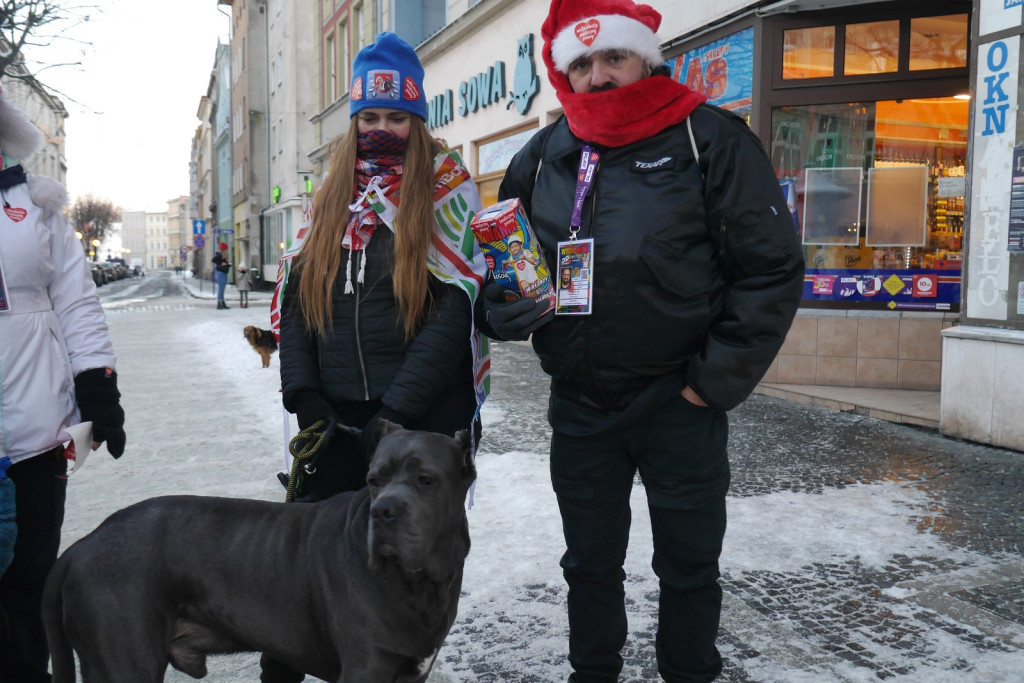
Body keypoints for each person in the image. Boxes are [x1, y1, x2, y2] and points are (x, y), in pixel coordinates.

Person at [477, 1, 805, 681]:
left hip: (678, 402)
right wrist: (502, 308)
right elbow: (502, 274)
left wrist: (705, 386)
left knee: (688, 567)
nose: (598, 76)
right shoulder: (542, 156)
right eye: (582, 63)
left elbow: (769, 270)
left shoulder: (708, 139)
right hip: (581, 405)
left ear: (646, 58)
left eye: (613, 57)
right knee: (589, 566)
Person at [266, 32, 488, 683]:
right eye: (370, 117)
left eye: (396, 116)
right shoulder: (331, 193)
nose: (382, 129)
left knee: (403, 565)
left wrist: (395, 411)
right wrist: (303, 394)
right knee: (301, 562)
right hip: (331, 415)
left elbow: (455, 311)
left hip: (414, 417)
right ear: (354, 120)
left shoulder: (448, 190)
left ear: (416, 119)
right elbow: (301, 301)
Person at [0, 83, 126, 683]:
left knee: (28, 582)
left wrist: (97, 387)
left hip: (37, 431)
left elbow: (76, 303)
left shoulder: (37, 203)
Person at [212, 242, 231, 309]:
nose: (227, 250)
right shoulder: (220, 255)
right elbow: (213, 260)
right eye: (226, 249)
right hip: (220, 273)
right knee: (221, 289)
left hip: (224, 273)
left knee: (222, 289)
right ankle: (219, 303)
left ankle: (222, 302)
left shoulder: (225, 256)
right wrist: (221, 263)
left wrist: (228, 264)